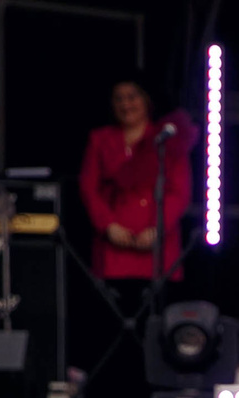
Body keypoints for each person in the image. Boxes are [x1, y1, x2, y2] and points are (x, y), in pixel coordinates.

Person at [78, 78, 196, 290]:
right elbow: (89, 188)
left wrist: (157, 228)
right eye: (119, 99)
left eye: (132, 97)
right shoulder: (99, 139)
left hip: (157, 244)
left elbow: (180, 192)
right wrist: (108, 226)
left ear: (146, 100)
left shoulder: (167, 138)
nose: (125, 104)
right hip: (114, 244)